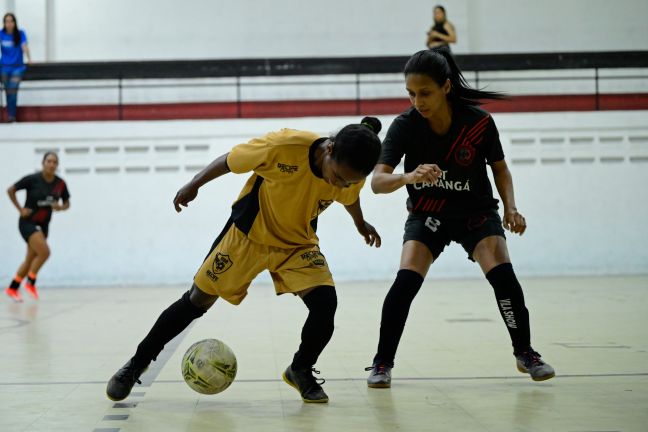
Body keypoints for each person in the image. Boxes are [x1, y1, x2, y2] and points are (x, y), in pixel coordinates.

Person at [106, 117, 383, 404]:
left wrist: (360, 224)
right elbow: (230, 160)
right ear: (329, 149)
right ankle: (137, 363)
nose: (336, 184)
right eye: (336, 176)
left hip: (297, 244)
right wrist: (194, 184)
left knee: (325, 304)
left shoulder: (351, 172)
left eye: (348, 181)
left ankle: (300, 369)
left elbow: (349, 197)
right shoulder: (284, 146)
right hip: (248, 236)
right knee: (196, 301)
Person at [365, 49, 555, 388]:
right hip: (428, 214)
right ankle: (381, 363)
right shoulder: (405, 126)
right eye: (411, 93)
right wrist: (409, 178)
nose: (417, 100)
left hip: (475, 213)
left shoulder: (478, 122)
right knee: (405, 283)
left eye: (425, 92)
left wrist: (510, 208)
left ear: (446, 87)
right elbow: (377, 183)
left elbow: (500, 168)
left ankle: (525, 353)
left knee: (504, 278)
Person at [6, 152, 70, 302]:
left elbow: (67, 203)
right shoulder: (33, 179)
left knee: (30, 260)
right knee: (45, 252)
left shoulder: (60, 184)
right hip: (28, 223)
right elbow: (10, 190)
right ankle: (31, 282)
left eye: (55, 162)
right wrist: (20, 209)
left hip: (44, 225)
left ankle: (12, 288)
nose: (51, 164)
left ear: (57, 165)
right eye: (49, 161)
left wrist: (60, 207)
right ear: (43, 163)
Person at [1, 12, 31, 122]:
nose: (9, 23)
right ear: (4, 23)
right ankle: (10, 115)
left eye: (11, 21)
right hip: (4, 67)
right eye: (6, 21)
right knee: (7, 90)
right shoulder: (1, 34)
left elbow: (24, 46)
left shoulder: (20, 33)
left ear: (14, 22)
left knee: (13, 89)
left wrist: (29, 58)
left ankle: (11, 115)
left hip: (17, 67)